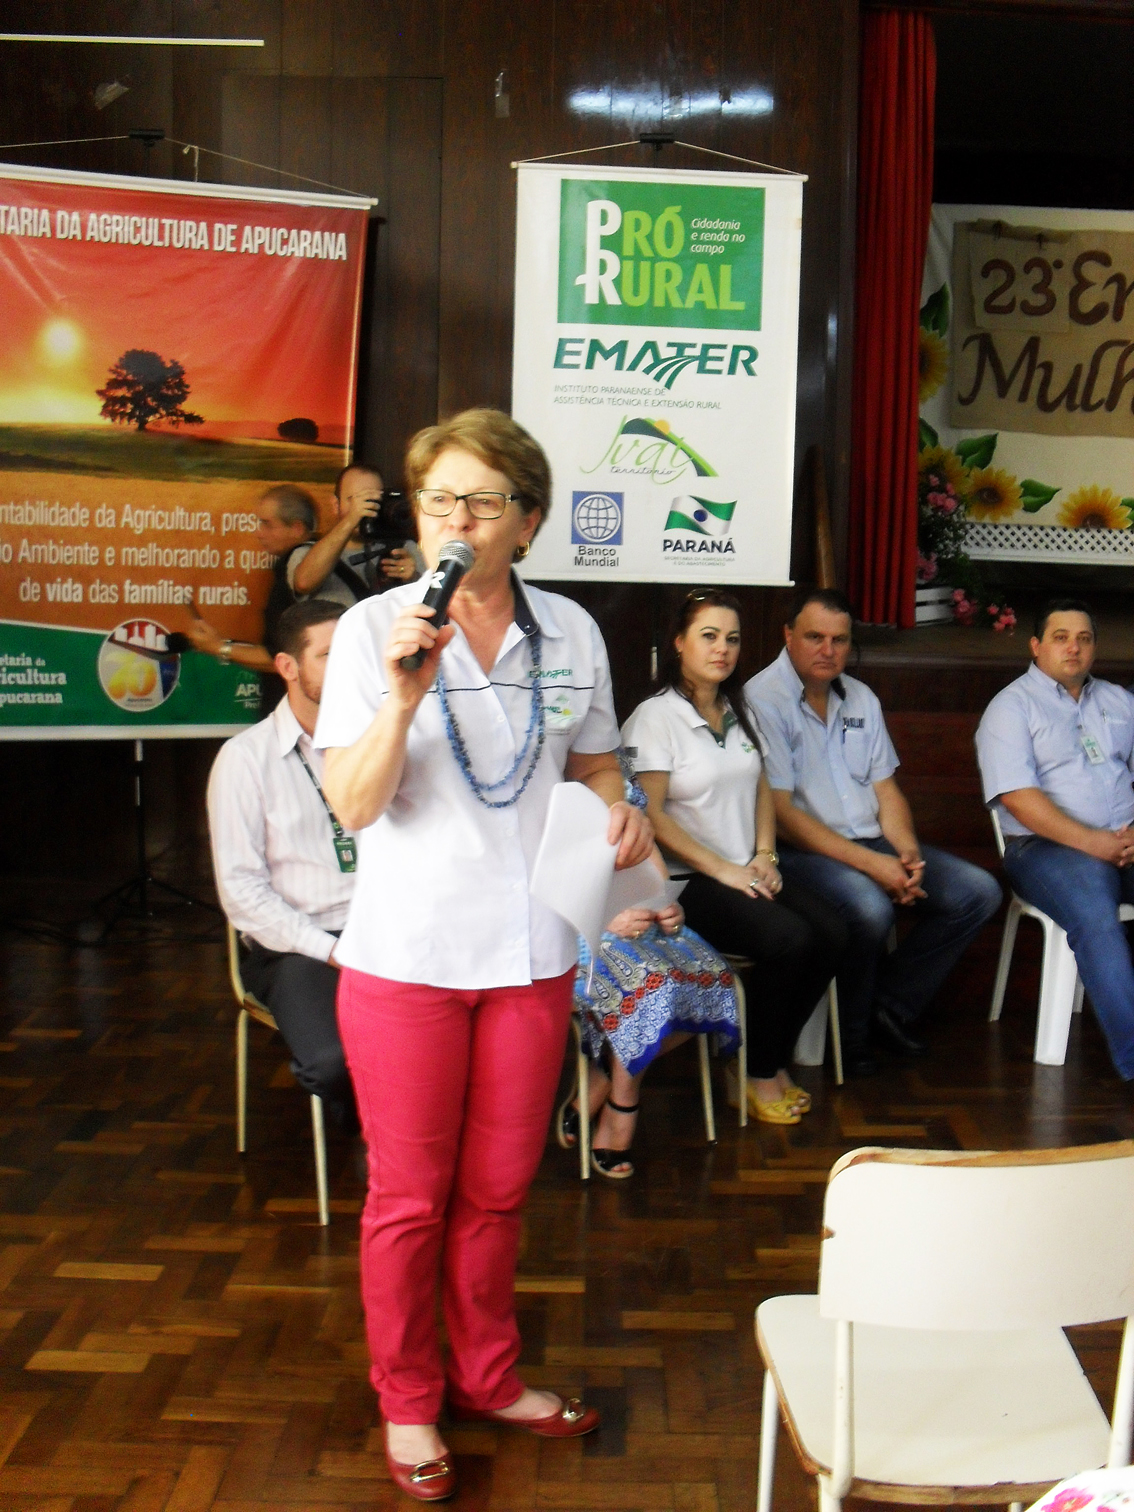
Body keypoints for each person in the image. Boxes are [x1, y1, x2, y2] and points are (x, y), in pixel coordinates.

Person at [314, 407, 653, 1500]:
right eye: (438, 501)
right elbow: (356, 806)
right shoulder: (374, 632)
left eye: (481, 502)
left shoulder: (572, 634)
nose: (454, 520)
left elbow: (595, 761)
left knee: (501, 1190)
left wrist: (623, 806)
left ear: (529, 521)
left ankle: (489, 1374)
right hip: (410, 955)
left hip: (532, 950)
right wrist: (405, 700)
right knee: (410, 1197)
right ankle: (410, 1404)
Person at [747, 587, 1002, 1076]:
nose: (828, 650)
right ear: (788, 636)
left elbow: (886, 791)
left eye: (839, 640)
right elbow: (781, 814)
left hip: (872, 842)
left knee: (978, 892)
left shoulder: (861, 696)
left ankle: (889, 1005)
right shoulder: (763, 699)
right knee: (868, 905)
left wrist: (905, 855)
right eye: (815, 637)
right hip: (798, 852)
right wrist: (875, 866)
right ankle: (852, 1040)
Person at [621, 589, 848, 1124]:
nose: (722, 649)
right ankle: (756, 1070)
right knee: (788, 940)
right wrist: (722, 868)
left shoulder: (738, 708)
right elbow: (650, 815)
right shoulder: (655, 718)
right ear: (679, 644)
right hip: (686, 882)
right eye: (709, 636)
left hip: (745, 871)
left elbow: (761, 786)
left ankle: (759, 1054)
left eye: (732, 639)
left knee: (837, 932)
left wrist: (765, 854)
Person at [207, 598, 359, 1137]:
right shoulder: (245, 760)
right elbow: (242, 893)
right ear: (288, 667)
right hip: (299, 945)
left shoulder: (379, 747)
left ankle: (406, 1143)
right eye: (328, 655)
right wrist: (330, 949)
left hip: (389, 933)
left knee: (455, 1036)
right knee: (336, 1061)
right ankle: (370, 1132)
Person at [975, 598, 1134, 1082]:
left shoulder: (1117, 701)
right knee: (1096, 919)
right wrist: (1096, 843)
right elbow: (1022, 802)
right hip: (1044, 850)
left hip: (1123, 843)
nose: (1074, 648)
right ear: (1036, 646)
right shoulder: (1011, 708)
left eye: (1084, 639)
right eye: (1061, 637)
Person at [559, 787, 740, 1180]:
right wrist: (603, 915)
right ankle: (624, 1100)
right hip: (567, 929)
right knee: (654, 986)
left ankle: (605, 1072)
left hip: (636, 923)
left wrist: (667, 906)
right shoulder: (537, 777)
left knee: (714, 978)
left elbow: (648, 856)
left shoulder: (612, 771)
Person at [289, 462, 425, 605]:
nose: (366, 507)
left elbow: (436, 608)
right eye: (356, 500)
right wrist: (351, 520)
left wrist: (414, 579)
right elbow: (304, 583)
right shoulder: (306, 552)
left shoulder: (404, 549)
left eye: (373, 500)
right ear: (336, 505)